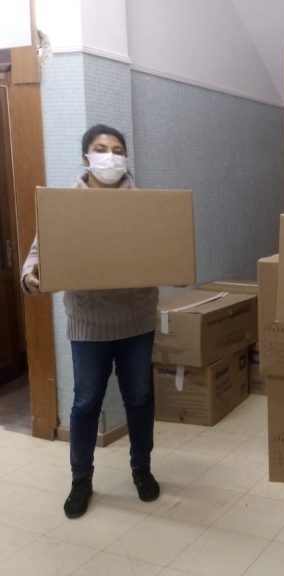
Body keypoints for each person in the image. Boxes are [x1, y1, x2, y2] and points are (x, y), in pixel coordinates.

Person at [21, 124, 160, 519]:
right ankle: (81, 480)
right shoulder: (64, 205)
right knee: (85, 402)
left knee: (140, 398)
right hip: (89, 322)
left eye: (117, 150)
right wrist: (30, 276)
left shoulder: (145, 205)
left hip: (137, 319)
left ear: (125, 157)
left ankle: (142, 469)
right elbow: (38, 254)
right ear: (86, 157)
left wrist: (178, 266)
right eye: (101, 149)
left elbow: (167, 248)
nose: (110, 157)